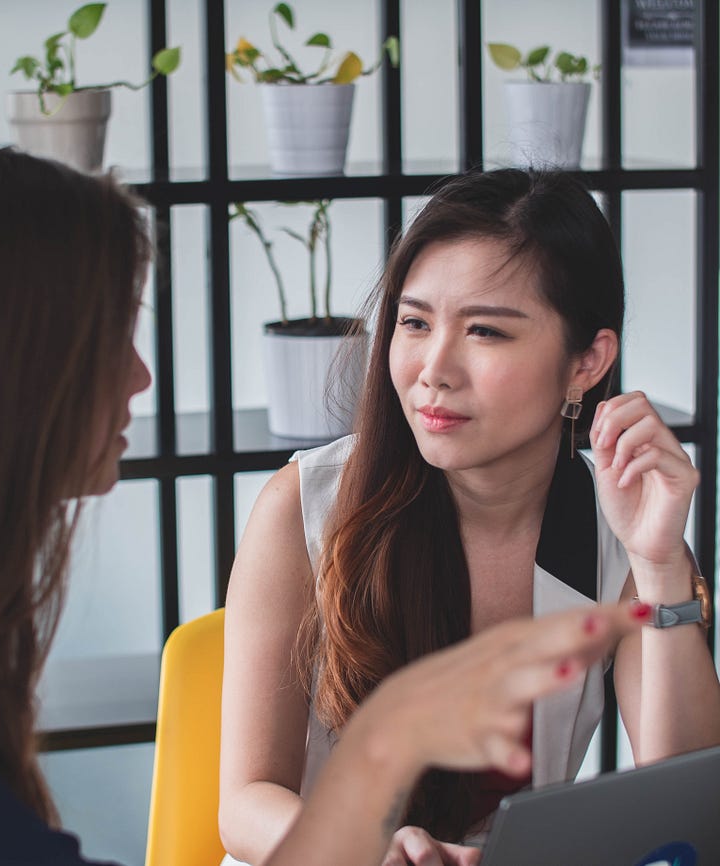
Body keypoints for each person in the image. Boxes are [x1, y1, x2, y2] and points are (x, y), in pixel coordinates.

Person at [0, 150, 648, 866]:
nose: (142, 378)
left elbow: (681, 802)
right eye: (108, 338)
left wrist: (665, 563)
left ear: (586, 359)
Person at [219, 169, 720, 866]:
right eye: (416, 322)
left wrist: (662, 564)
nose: (434, 368)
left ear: (587, 362)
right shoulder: (307, 507)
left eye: (485, 330)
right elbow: (245, 799)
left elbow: (682, 818)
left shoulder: (621, 537)